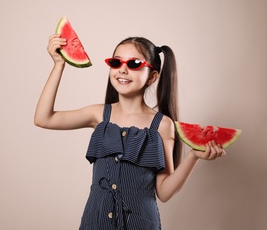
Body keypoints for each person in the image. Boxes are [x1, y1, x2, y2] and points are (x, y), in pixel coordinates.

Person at [34, 34, 226, 230]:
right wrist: (59, 65)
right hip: (96, 222)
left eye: (134, 63)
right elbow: (43, 118)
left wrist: (193, 156)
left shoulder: (162, 124)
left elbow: (164, 192)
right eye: (116, 62)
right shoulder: (99, 114)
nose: (123, 70)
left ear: (152, 76)